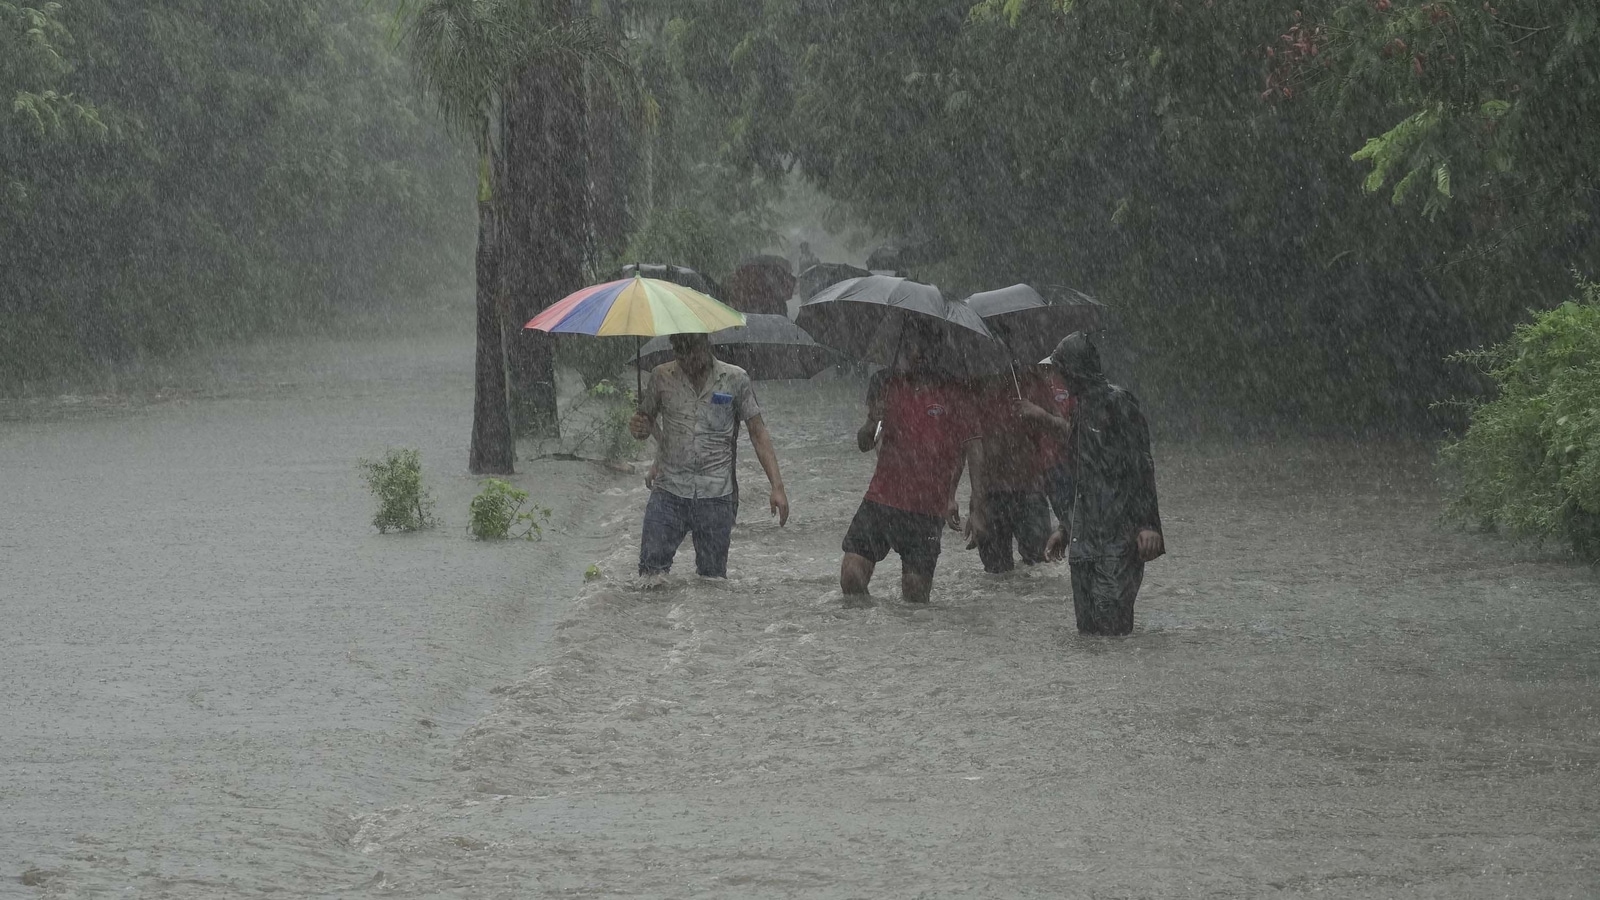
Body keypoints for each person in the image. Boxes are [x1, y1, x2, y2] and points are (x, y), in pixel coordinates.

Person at [1014, 333, 1163, 635]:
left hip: (1118, 541)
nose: (1055, 378)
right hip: (1084, 543)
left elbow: (1141, 466)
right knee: (1088, 636)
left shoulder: (1120, 404)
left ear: (1073, 370)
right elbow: (1079, 477)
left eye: (1059, 370)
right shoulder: (1079, 410)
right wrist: (1065, 528)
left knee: (1112, 631)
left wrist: (1148, 524)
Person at [840, 321, 988, 603]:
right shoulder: (884, 383)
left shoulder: (957, 391)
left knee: (915, 597)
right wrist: (873, 421)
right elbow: (864, 443)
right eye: (910, 345)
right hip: (881, 499)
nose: (915, 352)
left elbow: (974, 449)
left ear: (936, 349)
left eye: (922, 345)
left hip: (926, 510)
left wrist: (977, 508)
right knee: (851, 577)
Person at [629, 333, 789, 579]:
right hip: (669, 490)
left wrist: (777, 487)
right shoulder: (660, 377)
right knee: (650, 573)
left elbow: (758, 433)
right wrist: (640, 429)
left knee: (712, 580)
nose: (688, 359)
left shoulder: (735, 379)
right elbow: (646, 422)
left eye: (692, 350)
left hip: (716, 495)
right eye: (680, 352)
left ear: (706, 344)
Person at [964, 364, 1062, 574]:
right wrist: (977, 506)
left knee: (1039, 567)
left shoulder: (1034, 383)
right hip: (991, 493)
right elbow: (973, 446)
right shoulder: (978, 388)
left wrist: (1040, 414)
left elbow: (1067, 429)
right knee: (996, 573)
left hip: (1030, 489)